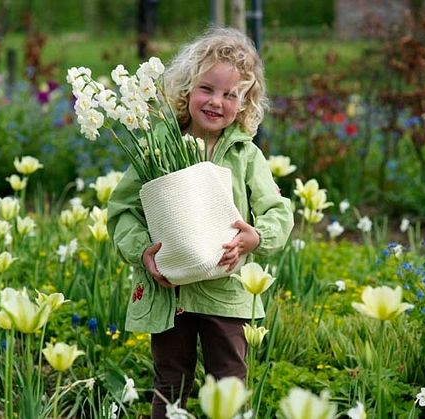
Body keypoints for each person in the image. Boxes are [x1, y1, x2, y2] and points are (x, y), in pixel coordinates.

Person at [107, 27, 294, 418]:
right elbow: (123, 210)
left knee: (228, 381)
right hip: (169, 289)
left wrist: (255, 237)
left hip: (225, 291)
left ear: (244, 104)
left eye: (230, 95)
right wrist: (143, 252)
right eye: (206, 89)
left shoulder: (245, 156)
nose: (216, 102)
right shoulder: (156, 147)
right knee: (170, 380)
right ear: (186, 89)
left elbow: (278, 210)